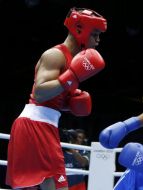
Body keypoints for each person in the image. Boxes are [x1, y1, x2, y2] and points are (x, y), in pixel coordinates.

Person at [6, 7, 107, 190]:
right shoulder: (55, 55)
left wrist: (70, 104)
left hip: (44, 126)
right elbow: (39, 92)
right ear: (79, 30)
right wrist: (72, 78)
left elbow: (52, 97)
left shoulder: (71, 60)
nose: (98, 41)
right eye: (95, 34)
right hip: (35, 126)